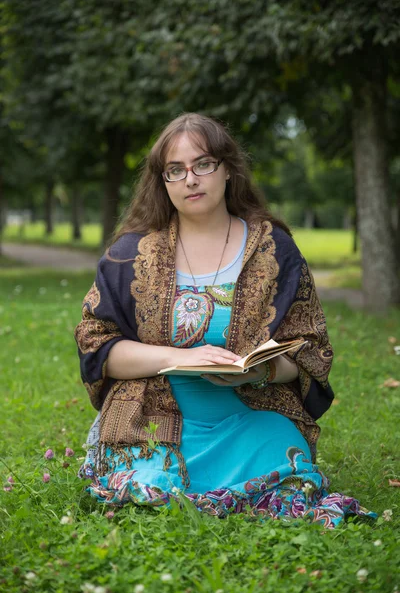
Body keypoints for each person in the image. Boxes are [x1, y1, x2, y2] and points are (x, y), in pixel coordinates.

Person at [75, 113, 375, 527]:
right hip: (151, 420)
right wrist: (176, 358)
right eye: (174, 170)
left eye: (203, 164)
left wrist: (261, 370)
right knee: (147, 488)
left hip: (249, 418)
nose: (190, 179)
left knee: (291, 476)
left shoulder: (275, 250)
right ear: (162, 181)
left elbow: (311, 350)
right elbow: (97, 346)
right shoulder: (130, 254)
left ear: (228, 168)